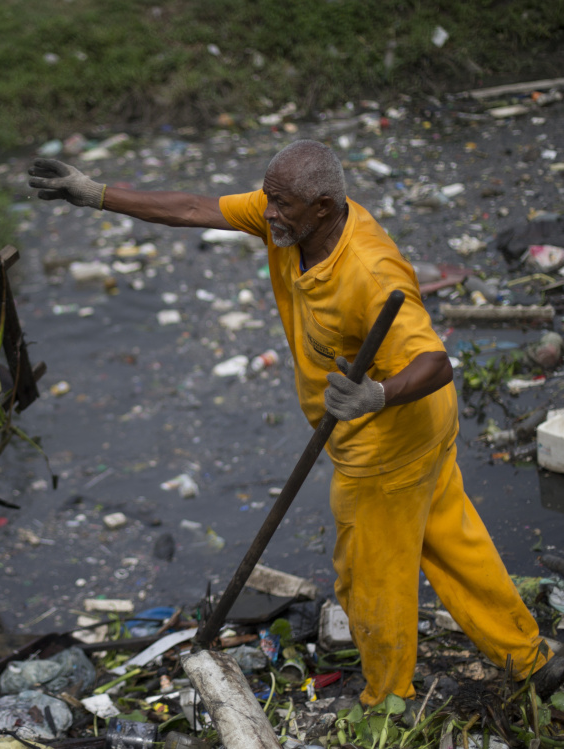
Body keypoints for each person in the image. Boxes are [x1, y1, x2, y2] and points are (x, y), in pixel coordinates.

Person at [28, 140, 564, 705]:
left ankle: (388, 701)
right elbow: (193, 208)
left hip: (385, 445)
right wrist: (98, 194)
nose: (268, 212)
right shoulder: (286, 223)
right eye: (268, 198)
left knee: (369, 577)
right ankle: (530, 659)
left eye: (281, 204)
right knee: (454, 543)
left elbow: (435, 362)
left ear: (325, 208)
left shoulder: (368, 269)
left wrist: (376, 394)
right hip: (424, 430)